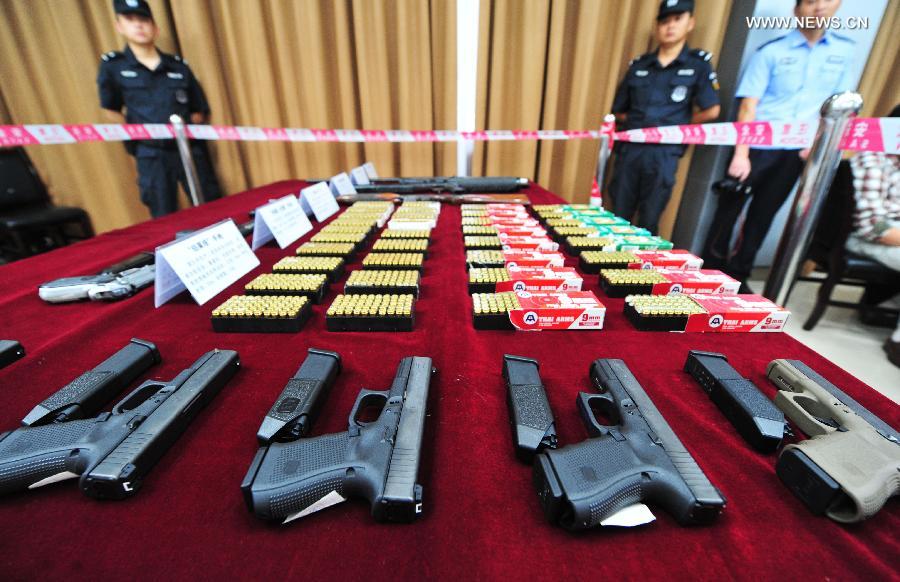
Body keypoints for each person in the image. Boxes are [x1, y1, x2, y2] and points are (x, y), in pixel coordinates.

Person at [702, 0, 855, 292]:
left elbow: (841, 107)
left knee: (763, 216)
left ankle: (739, 275)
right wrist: (742, 153)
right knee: (729, 210)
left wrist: (819, 145)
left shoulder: (844, 52)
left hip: (799, 152)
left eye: (826, 0)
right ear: (797, 9)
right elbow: (748, 105)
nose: (819, 8)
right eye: (810, 1)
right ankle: (710, 271)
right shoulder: (771, 52)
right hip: (758, 146)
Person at [97, 0, 221, 218]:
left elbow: (198, 109)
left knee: (211, 206)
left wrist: (186, 133)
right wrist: (137, 135)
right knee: (163, 213)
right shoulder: (114, 66)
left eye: (143, 19)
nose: (138, 25)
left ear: (155, 27)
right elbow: (111, 110)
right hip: (150, 152)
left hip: (188, 147)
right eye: (130, 19)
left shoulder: (178, 66)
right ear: (119, 26)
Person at [608, 0, 721, 235]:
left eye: (677, 19)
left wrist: (677, 127)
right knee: (616, 216)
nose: (670, 26)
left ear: (690, 23)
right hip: (631, 150)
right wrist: (638, 126)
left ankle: (642, 260)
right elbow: (618, 110)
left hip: (664, 153)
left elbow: (712, 109)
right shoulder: (639, 65)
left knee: (649, 220)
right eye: (665, 21)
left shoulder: (698, 65)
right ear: (657, 26)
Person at [846, 104, 900, 367]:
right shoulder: (873, 159)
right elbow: (873, 226)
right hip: (868, 237)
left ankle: (886, 305)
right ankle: (897, 341)